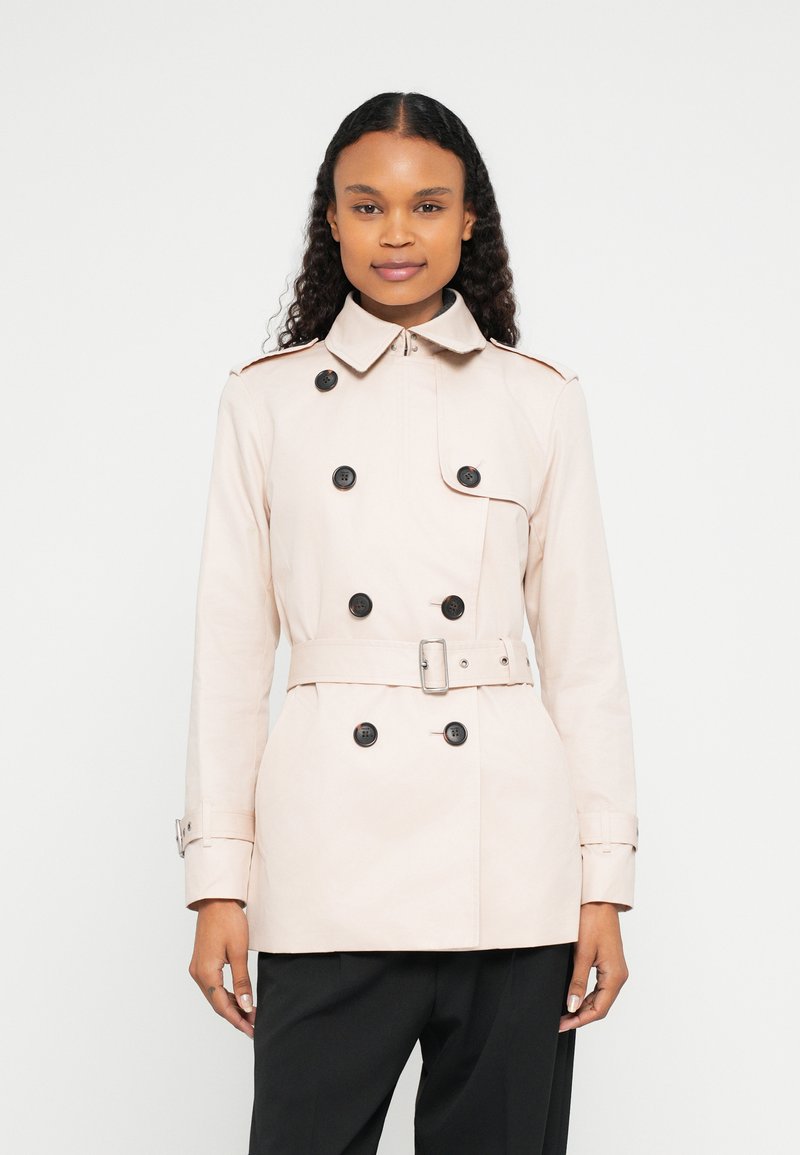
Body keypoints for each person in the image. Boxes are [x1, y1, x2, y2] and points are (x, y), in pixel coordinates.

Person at [176, 90, 639, 1155]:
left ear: (468, 219)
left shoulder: (539, 398)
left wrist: (602, 887)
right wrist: (218, 884)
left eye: (427, 205)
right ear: (330, 220)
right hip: (326, 858)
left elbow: (584, 659)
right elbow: (228, 659)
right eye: (367, 205)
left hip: (508, 862)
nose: (397, 233)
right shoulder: (263, 401)